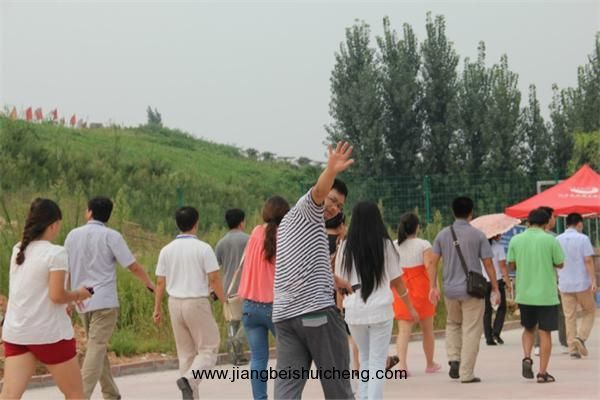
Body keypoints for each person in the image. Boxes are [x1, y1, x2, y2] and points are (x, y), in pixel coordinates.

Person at [273, 142, 355, 399]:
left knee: (287, 390)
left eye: (340, 206)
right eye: (333, 200)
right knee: (338, 387)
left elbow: (301, 265)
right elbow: (319, 190)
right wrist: (331, 170)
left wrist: (334, 279)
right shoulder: (307, 209)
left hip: (285, 317)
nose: (335, 208)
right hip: (315, 313)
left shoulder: (291, 223)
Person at [65, 196, 155, 399]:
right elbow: (132, 265)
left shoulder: (72, 235)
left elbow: (66, 269)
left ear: (89, 212)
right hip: (104, 301)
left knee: (97, 347)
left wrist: (67, 298)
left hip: (81, 301)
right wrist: (149, 283)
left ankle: (111, 394)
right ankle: (81, 396)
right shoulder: (111, 236)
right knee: (96, 348)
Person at [1, 198, 92, 399]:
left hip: (17, 333)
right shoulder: (56, 253)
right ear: (53, 225)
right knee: (75, 394)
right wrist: (79, 294)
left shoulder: (18, 250)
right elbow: (57, 295)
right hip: (49, 334)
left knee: (9, 394)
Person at [335, 201, 418, 399]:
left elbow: (339, 283)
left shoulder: (345, 246)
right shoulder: (385, 245)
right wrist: (410, 308)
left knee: (365, 359)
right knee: (377, 362)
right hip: (380, 310)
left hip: (354, 310)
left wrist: (339, 310)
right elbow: (398, 282)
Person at [153, 206, 226, 399]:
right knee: (209, 348)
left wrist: (157, 308)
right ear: (196, 223)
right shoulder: (203, 248)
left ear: (177, 224)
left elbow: (160, 282)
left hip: (174, 303)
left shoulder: (166, 250)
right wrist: (224, 301)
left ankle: (190, 393)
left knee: (185, 354)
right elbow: (214, 279)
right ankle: (189, 380)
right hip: (196, 303)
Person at [429, 197, 499, 383]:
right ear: (471, 213)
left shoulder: (443, 235)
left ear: (453, 212)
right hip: (472, 291)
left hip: (450, 290)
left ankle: (454, 358)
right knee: (471, 330)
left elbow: (432, 262)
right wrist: (495, 288)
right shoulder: (478, 235)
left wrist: (432, 287)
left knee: (453, 324)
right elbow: (488, 264)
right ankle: (466, 373)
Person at [237, 196, 290, 399]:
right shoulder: (284, 236)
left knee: (258, 359)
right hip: (275, 307)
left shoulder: (255, 232)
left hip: (250, 307)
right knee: (289, 357)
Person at [507, 208, 565, 383]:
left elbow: (511, 265)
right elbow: (560, 263)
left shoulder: (516, 240)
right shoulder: (550, 240)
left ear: (529, 221)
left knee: (528, 328)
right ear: (546, 223)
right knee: (545, 332)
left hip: (525, 294)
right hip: (546, 295)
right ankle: (542, 373)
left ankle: (527, 357)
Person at [392, 213, 441, 374]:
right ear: (417, 227)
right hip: (422, 289)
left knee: (403, 331)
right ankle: (430, 363)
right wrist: (435, 286)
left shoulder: (394, 245)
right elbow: (430, 265)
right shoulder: (423, 244)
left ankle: (402, 366)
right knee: (427, 329)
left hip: (401, 289)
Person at [556, 213, 597, 359]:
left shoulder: (557, 239)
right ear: (579, 224)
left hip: (564, 283)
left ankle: (572, 349)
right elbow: (588, 260)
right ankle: (581, 337)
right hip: (582, 283)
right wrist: (593, 280)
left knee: (569, 316)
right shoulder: (583, 238)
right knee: (590, 311)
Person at [215, 208, 250, 366]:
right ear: (241, 222)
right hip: (247, 286)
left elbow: (216, 267)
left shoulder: (221, 243)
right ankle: (238, 341)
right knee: (249, 319)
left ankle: (236, 356)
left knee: (232, 321)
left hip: (228, 288)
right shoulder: (248, 240)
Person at [533, 206, 567, 356]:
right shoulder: (553, 238)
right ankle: (564, 342)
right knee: (559, 312)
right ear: (547, 218)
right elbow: (560, 262)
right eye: (554, 216)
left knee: (536, 314)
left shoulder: (525, 237)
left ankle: (537, 345)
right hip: (550, 282)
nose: (555, 219)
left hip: (531, 282)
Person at [482, 234, 512, 345]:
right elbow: (503, 266)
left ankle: (488, 338)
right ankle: (496, 332)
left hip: (483, 281)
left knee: (487, 310)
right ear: (493, 235)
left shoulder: (480, 247)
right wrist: (508, 282)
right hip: (497, 280)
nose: (500, 235)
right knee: (502, 307)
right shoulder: (499, 247)